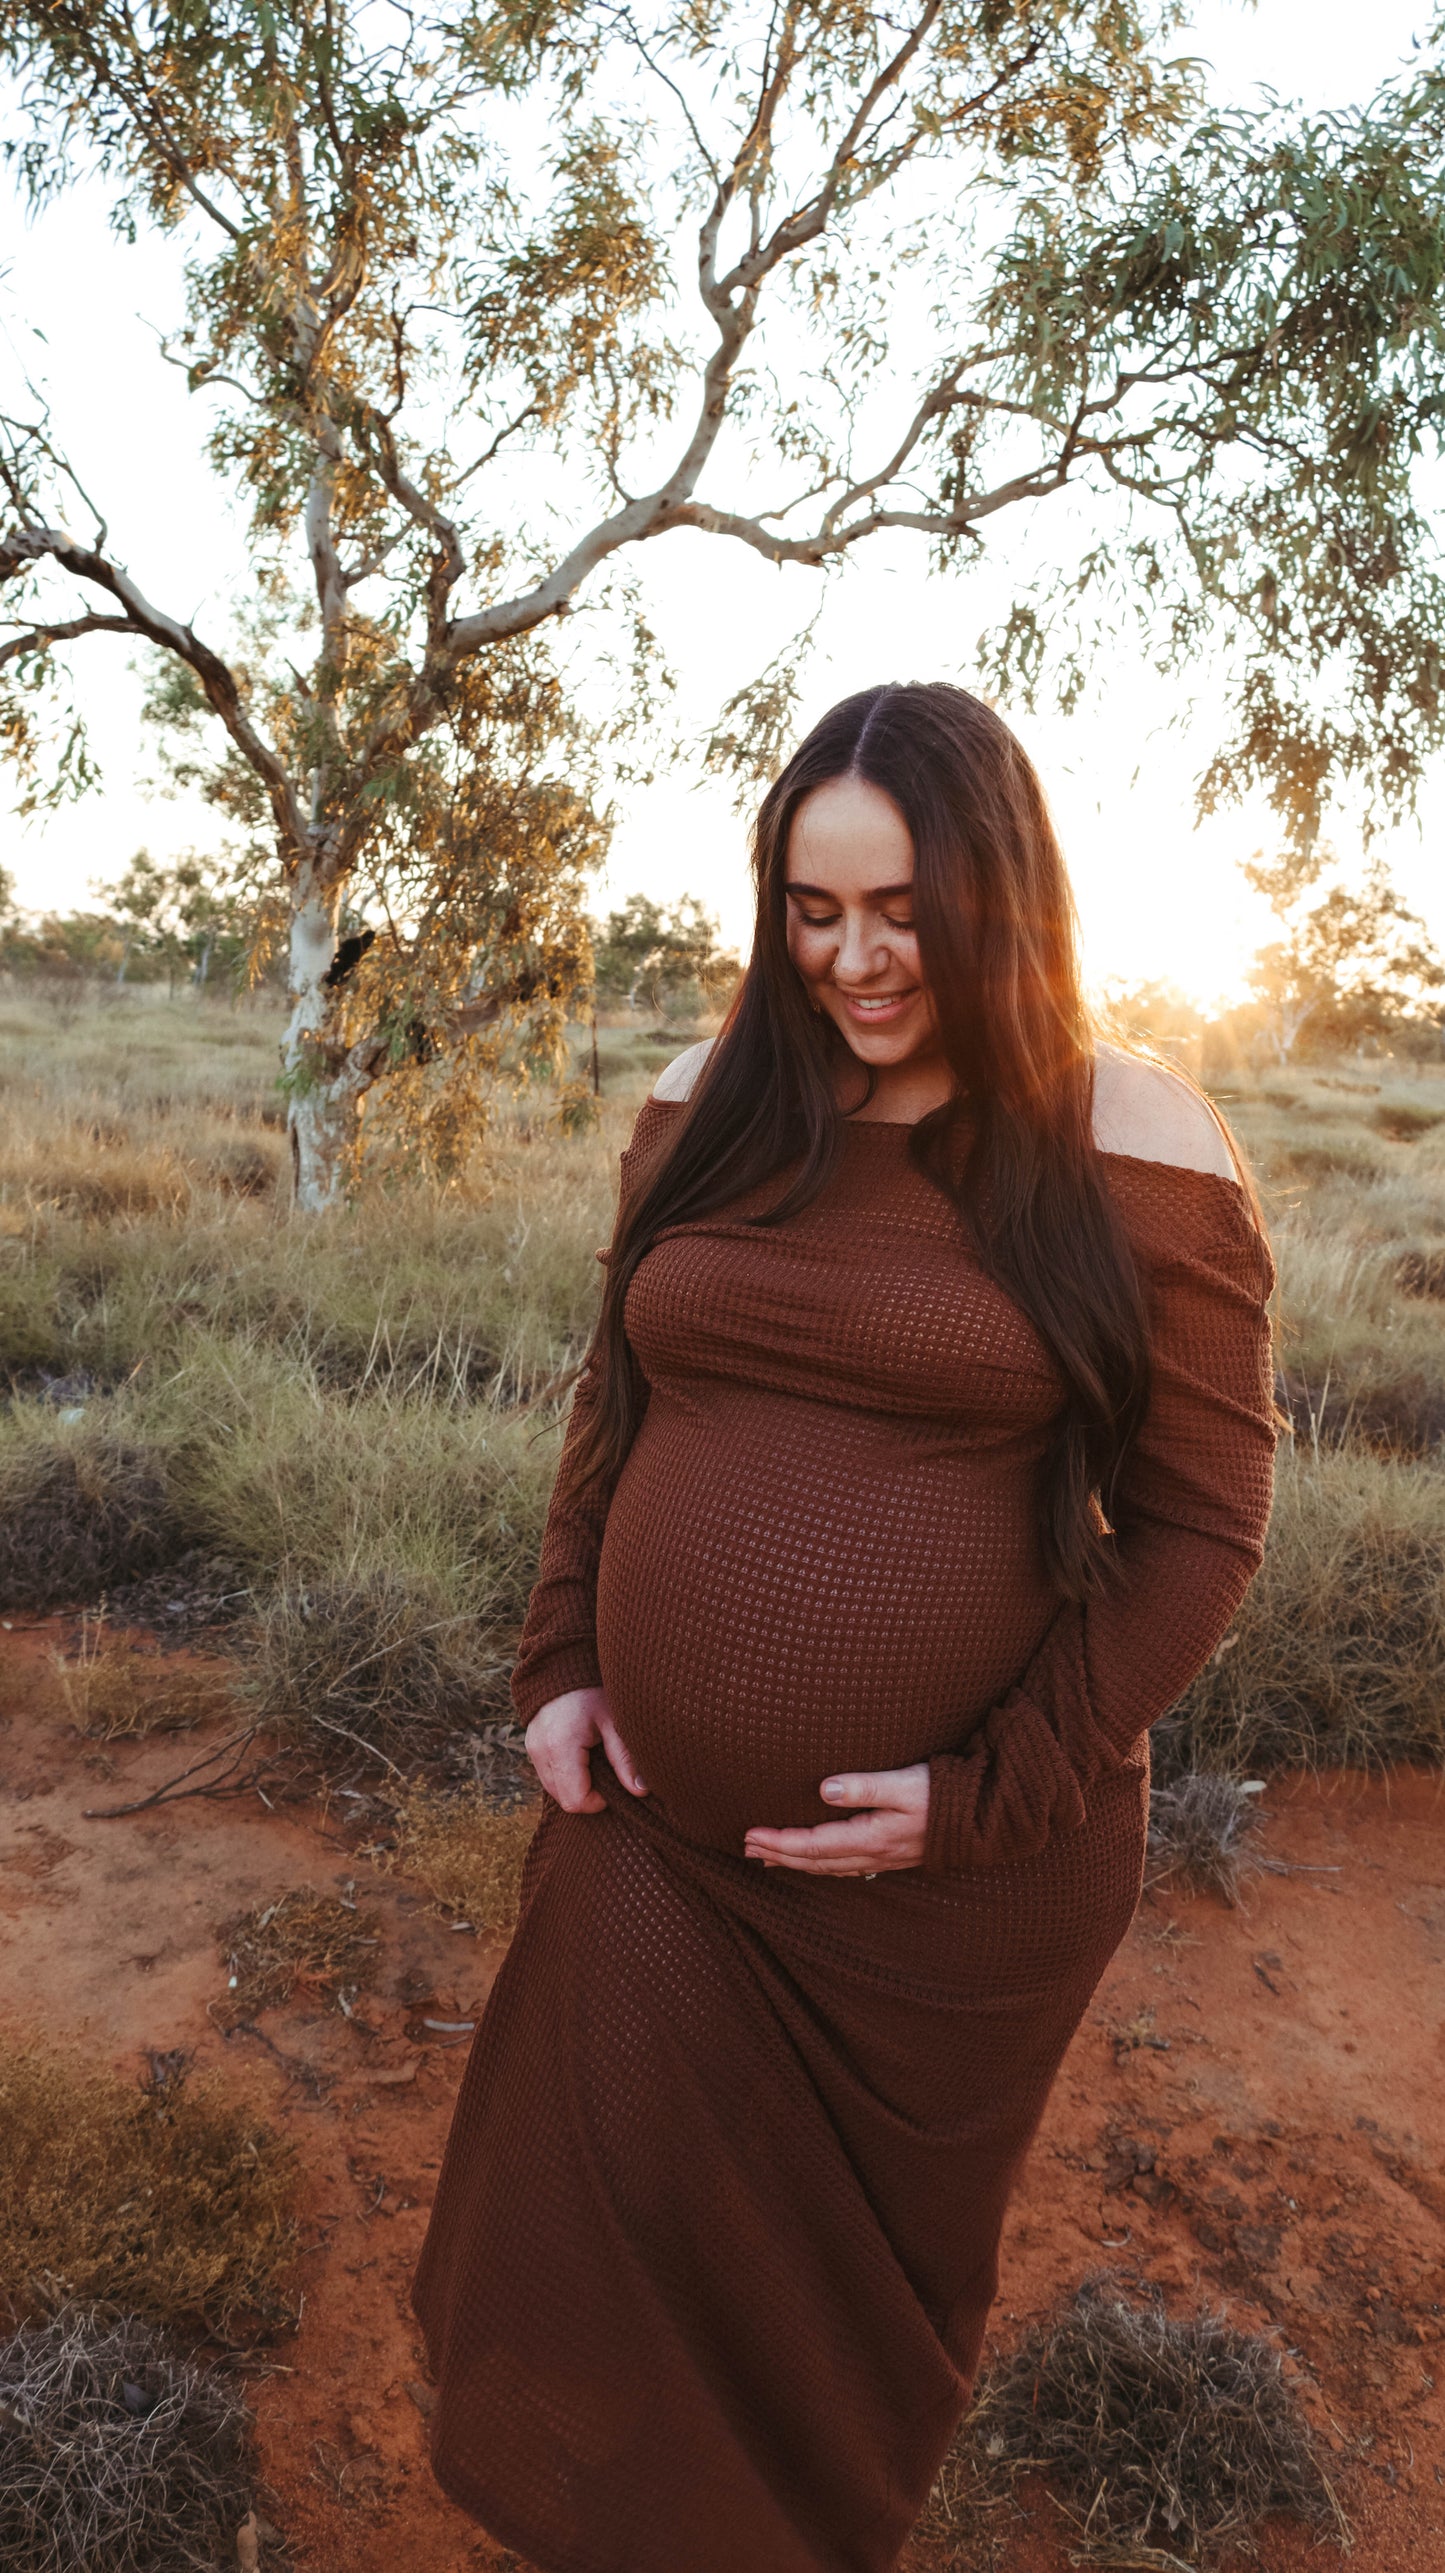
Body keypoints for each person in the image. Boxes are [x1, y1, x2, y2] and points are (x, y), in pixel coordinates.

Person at [412, 682, 1278, 2573]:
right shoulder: (705, 1103)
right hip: (657, 1841)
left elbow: (1202, 1524)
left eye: (901, 911)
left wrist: (985, 1794)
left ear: (1000, 893)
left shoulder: (1132, 1142)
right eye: (813, 910)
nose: (855, 959)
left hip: (947, 1904)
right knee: (585, 2252)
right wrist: (559, 1657)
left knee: (822, 2353)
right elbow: (609, 1407)